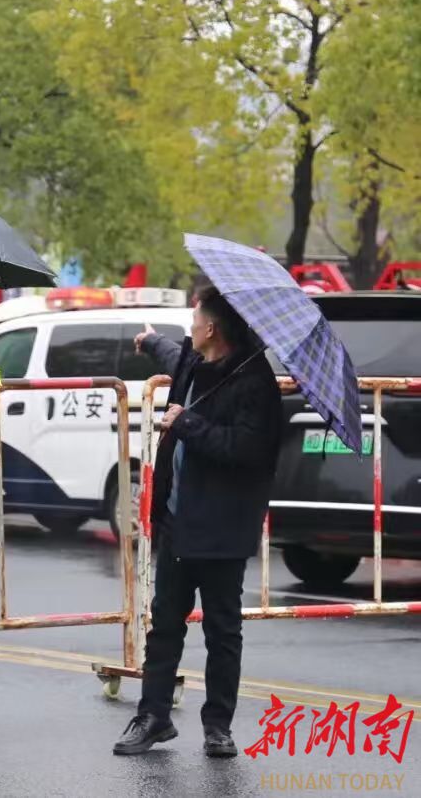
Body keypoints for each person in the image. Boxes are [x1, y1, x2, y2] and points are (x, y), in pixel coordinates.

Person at [114, 285, 282, 758]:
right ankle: (152, 717)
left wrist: (187, 424)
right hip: (177, 519)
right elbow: (175, 353)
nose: (190, 327)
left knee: (222, 631)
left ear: (212, 328)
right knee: (164, 624)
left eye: (195, 319)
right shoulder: (194, 360)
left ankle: (218, 726)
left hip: (223, 528)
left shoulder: (254, 383)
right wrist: (150, 341)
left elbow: (248, 450)